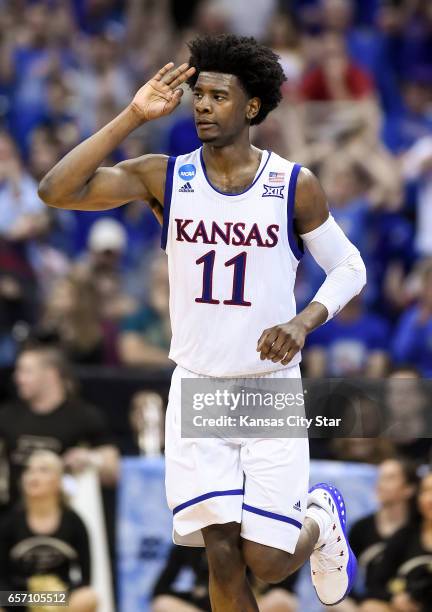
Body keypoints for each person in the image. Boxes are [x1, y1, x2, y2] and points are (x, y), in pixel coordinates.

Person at [38, 34, 366, 610]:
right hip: (196, 387)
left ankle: (318, 519)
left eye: (218, 95)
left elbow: (348, 266)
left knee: (265, 561)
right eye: (198, 94)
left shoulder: (293, 185)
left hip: (266, 391)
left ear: (252, 107)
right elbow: (56, 190)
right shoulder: (164, 176)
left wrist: (303, 321)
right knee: (218, 553)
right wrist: (133, 116)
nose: (203, 105)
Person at [0, 344, 119, 511]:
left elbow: (114, 470)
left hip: (66, 516)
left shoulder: (84, 417)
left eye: (26, 372)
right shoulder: (7, 415)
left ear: (51, 374)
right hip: (15, 517)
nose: (18, 378)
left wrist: (92, 458)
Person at [0, 450, 97, 612]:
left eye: (43, 470)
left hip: (61, 601)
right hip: (18, 600)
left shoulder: (74, 522)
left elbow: (86, 580)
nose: (33, 476)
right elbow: (1, 580)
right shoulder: (9, 522)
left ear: (59, 481)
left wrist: (55, 599)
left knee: (88, 597)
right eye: (29, 470)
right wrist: (35, 600)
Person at [332, 458, 419, 611]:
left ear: (409, 489)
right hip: (366, 603)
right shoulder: (361, 528)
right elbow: (342, 576)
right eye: (380, 478)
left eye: (390, 478)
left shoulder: (419, 528)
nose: (380, 484)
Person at [360, 471, 432, 612]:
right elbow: (375, 586)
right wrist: (394, 598)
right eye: (426, 491)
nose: (430, 499)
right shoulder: (404, 536)